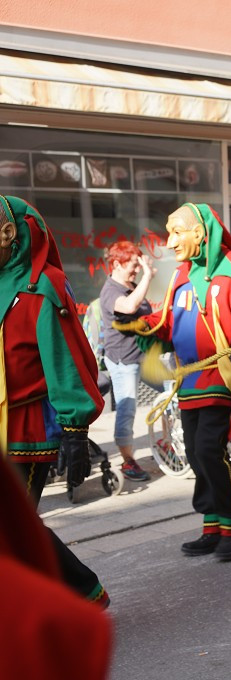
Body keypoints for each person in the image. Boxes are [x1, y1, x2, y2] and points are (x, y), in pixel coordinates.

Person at [118, 203, 231, 561]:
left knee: (207, 450)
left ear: (201, 234)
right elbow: (169, 325)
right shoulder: (181, 277)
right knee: (195, 453)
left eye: (176, 232)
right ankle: (213, 524)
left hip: (223, 376)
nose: (169, 242)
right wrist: (141, 325)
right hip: (189, 382)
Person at [0, 195, 109, 606]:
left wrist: (75, 432)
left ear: (8, 233)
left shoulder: (44, 286)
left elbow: (66, 361)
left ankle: (79, 594)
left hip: (25, 434)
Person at [0, 459, 112, 680]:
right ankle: (84, 591)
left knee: (19, 529)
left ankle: (83, 591)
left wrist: (76, 428)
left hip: (28, 439)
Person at [99, 239, 155, 481]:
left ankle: (169, 443)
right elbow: (130, 307)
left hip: (145, 356)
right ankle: (127, 461)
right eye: (133, 264)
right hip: (123, 359)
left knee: (173, 389)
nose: (137, 269)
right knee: (127, 408)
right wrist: (148, 277)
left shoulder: (131, 284)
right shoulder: (111, 291)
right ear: (116, 264)